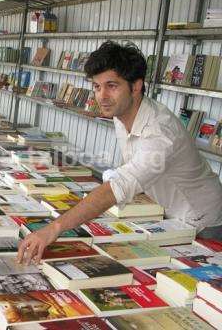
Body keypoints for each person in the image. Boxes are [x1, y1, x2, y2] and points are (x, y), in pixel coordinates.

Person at [18, 41, 222, 264]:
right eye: (97, 87)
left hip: (203, 222)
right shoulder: (121, 113)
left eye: (112, 86)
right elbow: (128, 174)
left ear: (136, 86)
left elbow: (118, 186)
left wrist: (54, 228)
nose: (102, 96)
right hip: (167, 212)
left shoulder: (159, 132)